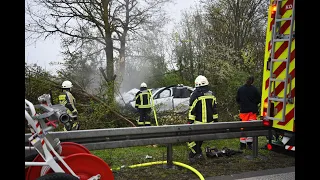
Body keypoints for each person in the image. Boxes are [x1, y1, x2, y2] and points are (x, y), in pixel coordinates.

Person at [187, 75, 218, 163]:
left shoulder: (195, 94)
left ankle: (196, 153)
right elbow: (215, 109)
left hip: (198, 123)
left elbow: (192, 110)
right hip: (210, 123)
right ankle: (197, 153)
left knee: (189, 139)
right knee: (199, 139)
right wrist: (216, 121)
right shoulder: (211, 94)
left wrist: (190, 121)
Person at [236, 76, 261, 150]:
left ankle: (242, 144)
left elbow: (237, 99)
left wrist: (242, 103)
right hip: (252, 111)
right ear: (253, 81)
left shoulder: (240, 89)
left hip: (243, 111)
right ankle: (249, 144)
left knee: (243, 127)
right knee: (251, 127)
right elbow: (259, 99)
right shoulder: (255, 89)